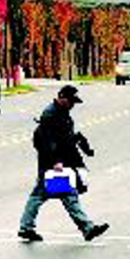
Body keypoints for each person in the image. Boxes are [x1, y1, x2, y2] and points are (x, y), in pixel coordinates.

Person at [17, 84, 110, 243]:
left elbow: (67, 137)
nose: (73, 105)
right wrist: (56, 161)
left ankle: (26, 228)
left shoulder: (62, 113)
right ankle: (87, 228)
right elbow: (47, 142)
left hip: (59, 163)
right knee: (63, 196)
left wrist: (84, 147)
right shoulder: (50, 115)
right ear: (61, 98)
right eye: (71, 101)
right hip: (53, 165)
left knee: (47, 195)